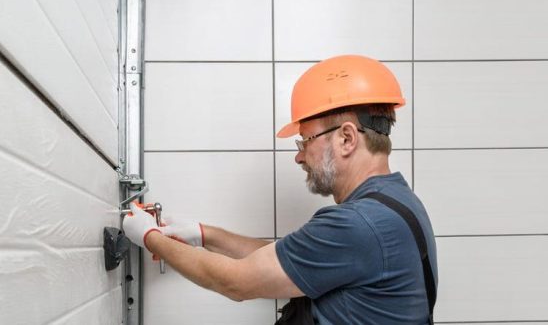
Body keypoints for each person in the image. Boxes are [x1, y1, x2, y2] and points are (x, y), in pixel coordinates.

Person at [123, 54, 438, 324]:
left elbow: (235, 283)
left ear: (346, 138)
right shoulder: (398, 202)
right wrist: (204, 234)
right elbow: (291, 258)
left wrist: (149, 237)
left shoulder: (357, 225)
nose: (300, 156)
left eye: (306, 141)